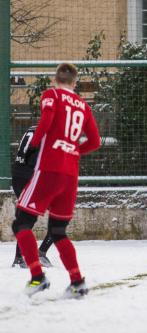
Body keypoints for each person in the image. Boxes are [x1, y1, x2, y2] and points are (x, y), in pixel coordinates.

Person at [12, 63, 101, 298]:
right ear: (75, 82)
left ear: (55, 80)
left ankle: (37, 277)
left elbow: (48, 119)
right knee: (58, 231)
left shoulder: (51, 95)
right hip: (70, 175)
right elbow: (95, 141)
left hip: (49, 169)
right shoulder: (83, 105)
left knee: (21, 223)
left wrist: (33, 146)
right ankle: (77, 282)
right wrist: (72, 151)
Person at [11, 125, 54, 269]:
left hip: (17, 175)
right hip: (30, 177)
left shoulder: (32, 128)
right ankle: (40, 253)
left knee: (25, 217)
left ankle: (19, 257)